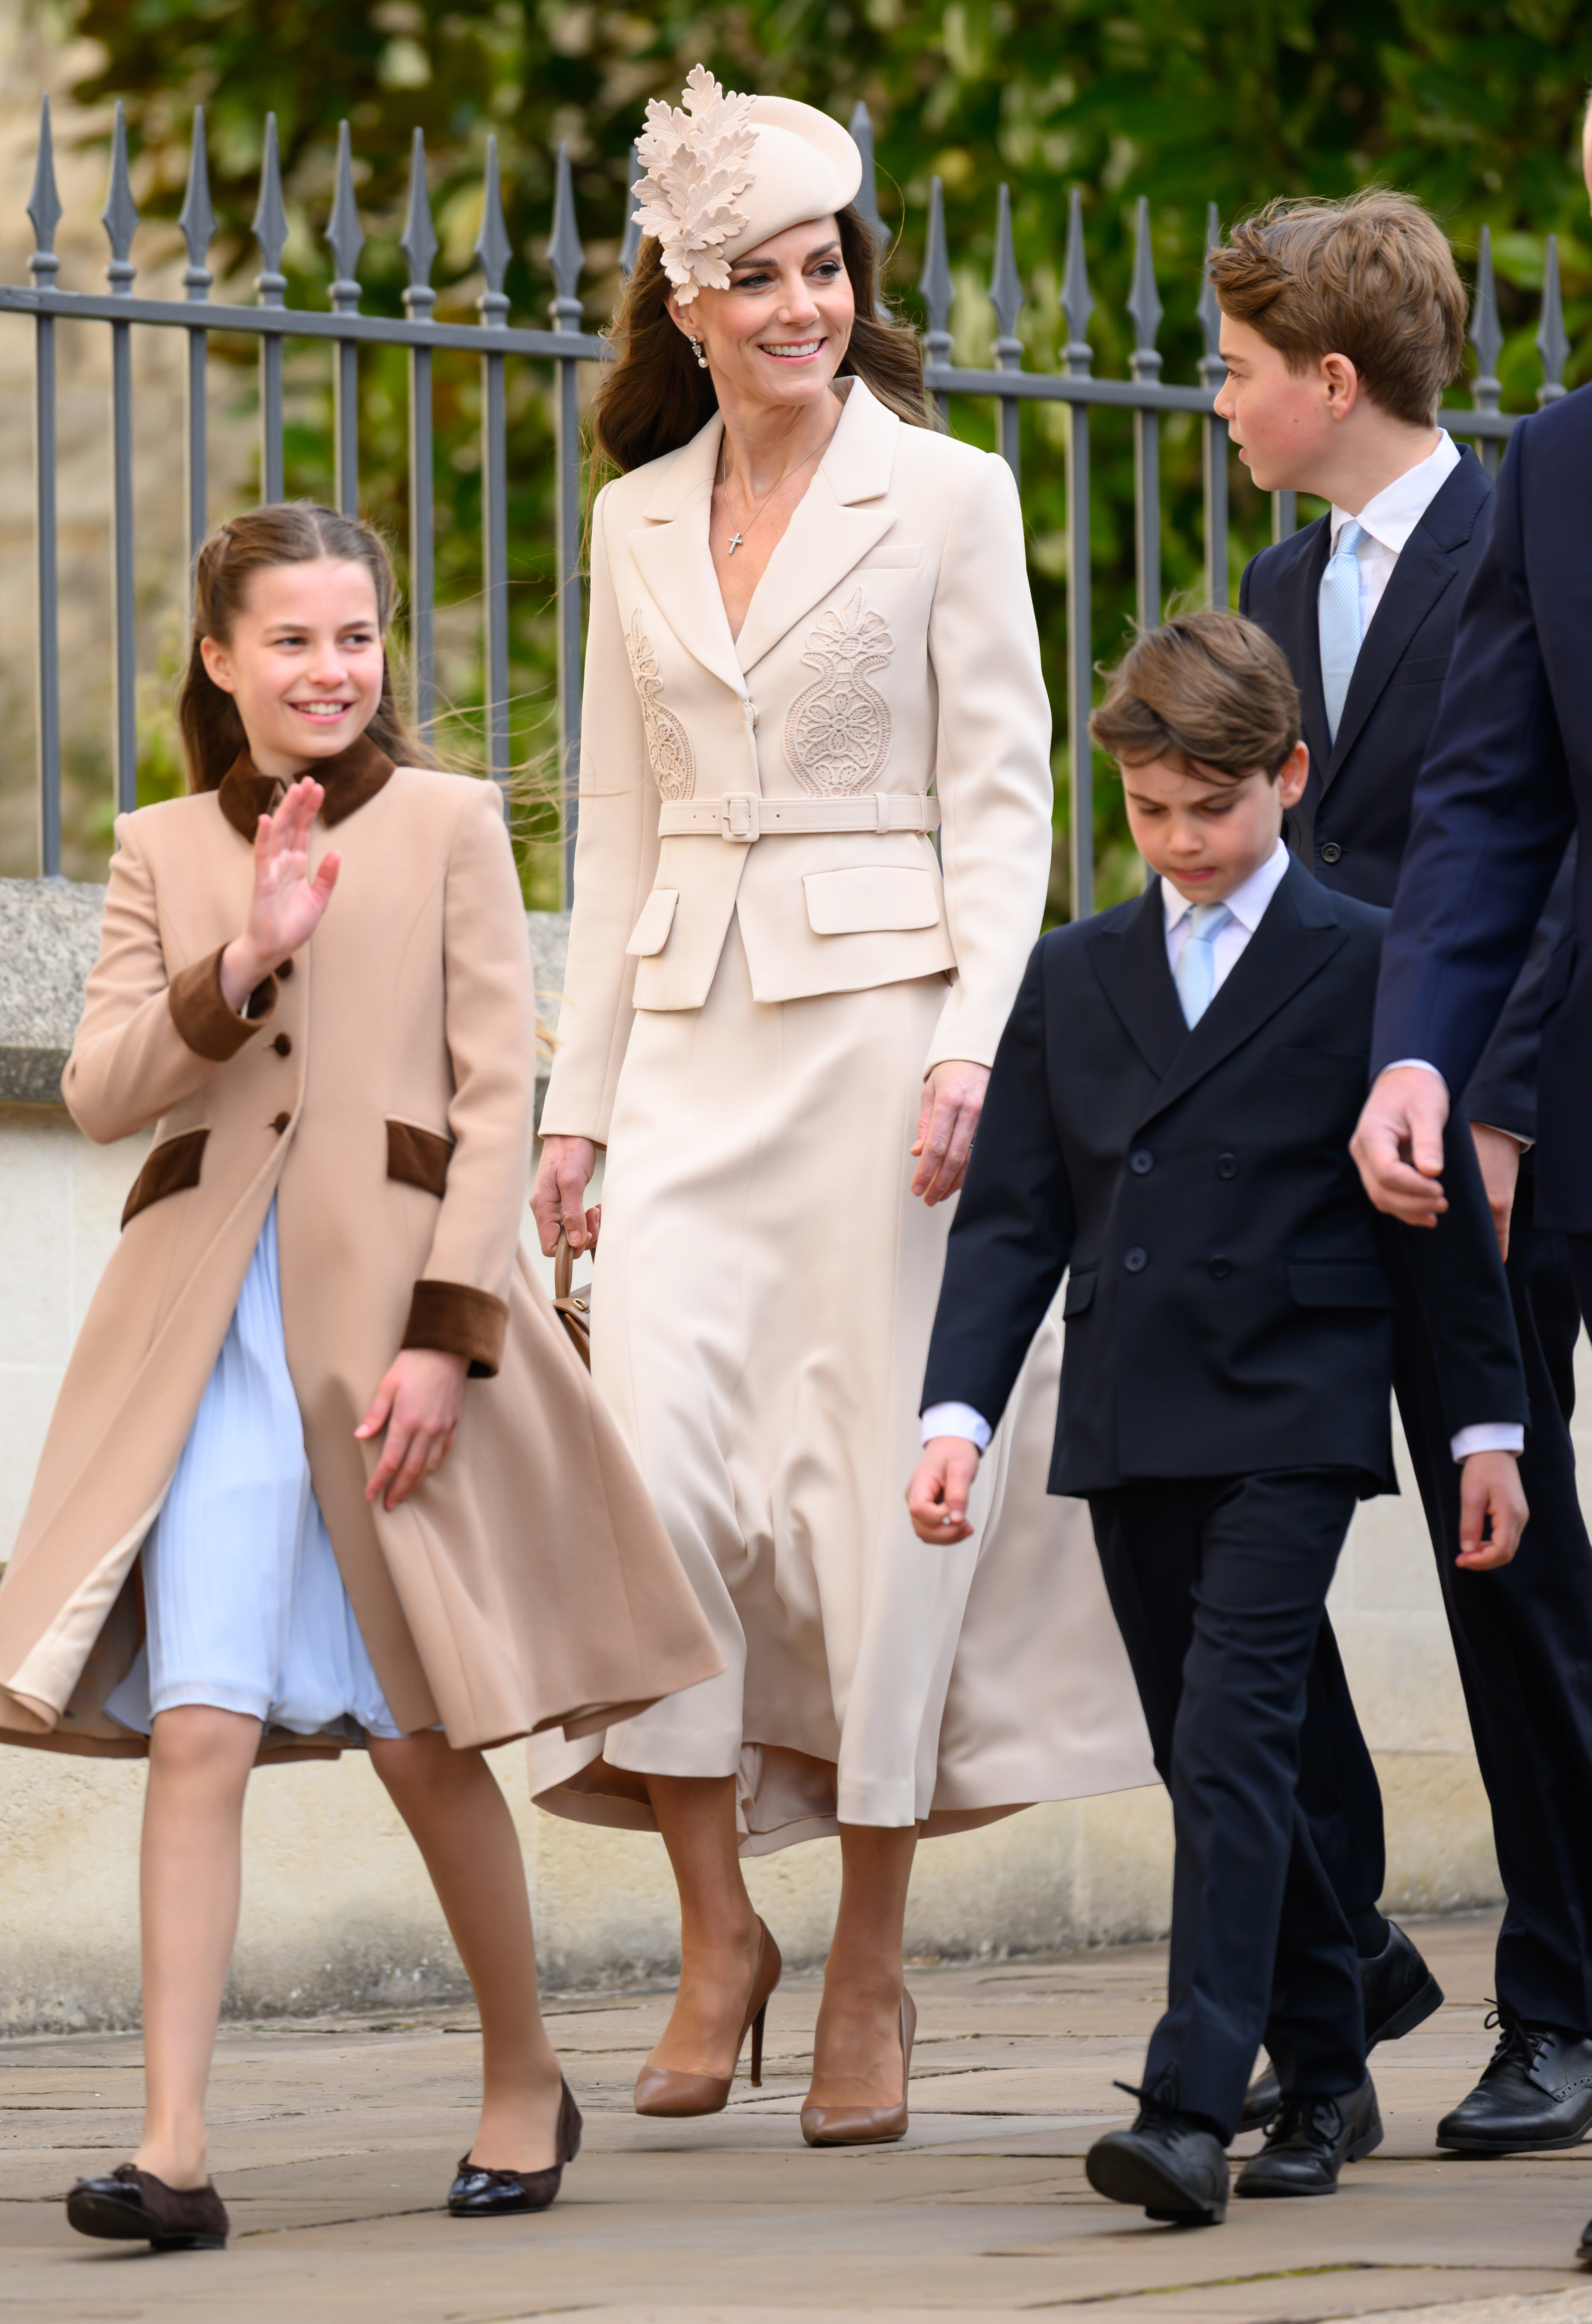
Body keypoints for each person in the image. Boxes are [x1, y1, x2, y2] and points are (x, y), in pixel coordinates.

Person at [0, 504, 722, 2248]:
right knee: (201, 1730)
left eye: (356, 637)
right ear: (219, 659)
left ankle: (525, 2074)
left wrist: (451, 1338)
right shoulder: (158, 845)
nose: (329, 669)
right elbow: (99, 1090)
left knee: (420, 1732)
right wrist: (241, 955)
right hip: (208, 1347)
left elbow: (487, 1100)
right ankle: (171, 2146)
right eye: (291, 639)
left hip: (388, 1346)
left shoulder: (450, 825)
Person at [526, 67, 1153, 2148]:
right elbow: (616, 835)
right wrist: (573, 1109)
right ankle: (724, 1930)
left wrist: (980, 1045)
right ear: (682, 301)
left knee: (886, 1511)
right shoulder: (627, 517)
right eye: (757, 277)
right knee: (658, 1490)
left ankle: (872, 1953)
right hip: (687, 1052)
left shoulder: (950, 494)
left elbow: (1005, 805)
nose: (802, 306)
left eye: (824, 269)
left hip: (892, 1050)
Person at [911, 611, 1527, 2225]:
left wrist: (1487, 1432)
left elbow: (1442, 1211)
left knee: (1234, 1730)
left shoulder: (1375, 954)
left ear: (1290, 777)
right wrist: (959, 1412)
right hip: (1129, 1405)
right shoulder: (1071, 974)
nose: (1184, 843)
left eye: (1216, 807)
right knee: (1214, 1753)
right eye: (1152, 810)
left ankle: (1192, 2102)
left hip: (1296, 1402)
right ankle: (1335, 2044)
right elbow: (1012, 1224)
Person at [1211, 187, 1592, 2150]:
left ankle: (1562, 1995)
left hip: (1494, 1141)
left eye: (1239, 368)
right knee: (1228, 1527)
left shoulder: (1512, 513)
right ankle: (1339, 1962)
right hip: (1325, 1138)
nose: (1214, 401)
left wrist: (1496, 1095)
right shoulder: (1280, 588)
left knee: (1509, 1571)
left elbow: (1528, 852)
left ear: (1333, 377)